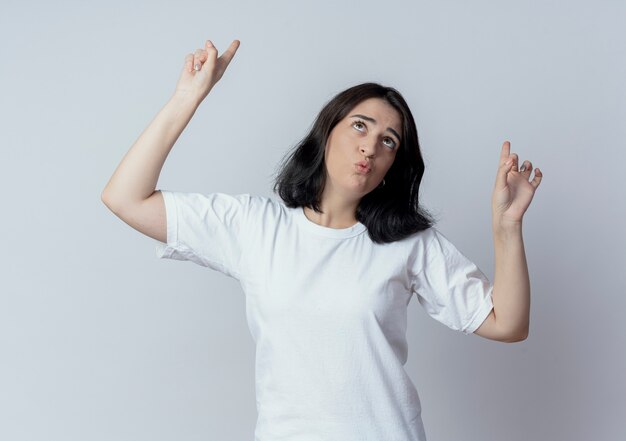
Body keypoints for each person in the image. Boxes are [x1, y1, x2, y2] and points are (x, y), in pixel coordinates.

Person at [101, 39, 543, 441]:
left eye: (388, 141)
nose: (370, 147)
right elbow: (125, 198)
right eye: (360, 127)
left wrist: (507, 228)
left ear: (394, 165)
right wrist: (187, 98)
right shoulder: (256, 226)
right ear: (327, 130)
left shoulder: (408, 243)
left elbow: (508, 323)